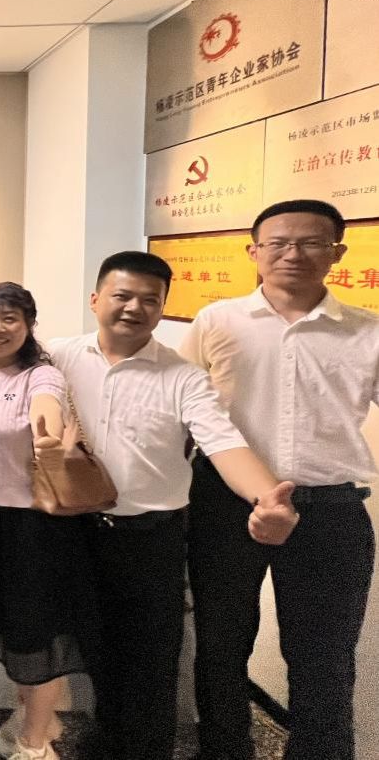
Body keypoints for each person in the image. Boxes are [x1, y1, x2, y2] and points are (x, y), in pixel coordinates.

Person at [48, 251, 300, 760]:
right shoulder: (56, 357)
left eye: (150, 300)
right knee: (95, 648)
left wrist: (266, 497)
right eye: (122, 296)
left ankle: (147, 749)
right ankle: (108, 739)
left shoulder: (183, 376)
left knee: (153, 660)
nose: (134, 308)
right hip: (76, 531)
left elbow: (222, 441)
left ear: (162, 308)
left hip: (151, 538)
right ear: (95, 299)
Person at [182, 199, 377, 760]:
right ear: (254, 252)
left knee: (325, 657)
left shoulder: (367, 331)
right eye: (278, 243)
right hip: (225, 504)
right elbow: (181, 410)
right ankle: (224, 750)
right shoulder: (216, 321)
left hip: (329, 510)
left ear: (337, 252)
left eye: (311, 243)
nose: (293, 254)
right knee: (220, 646)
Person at [0, 282, 96, 760]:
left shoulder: (41, 375)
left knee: (35, 634)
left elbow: (46, 412)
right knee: (5, 626)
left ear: (28, 325)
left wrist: (46, 439)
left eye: (10, 318)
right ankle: (36, 716)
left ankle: (34, 743)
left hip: (33, 529)